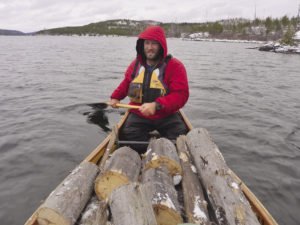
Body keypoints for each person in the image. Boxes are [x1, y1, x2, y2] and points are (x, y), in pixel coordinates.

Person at [109, 25, 189, 153]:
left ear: (161, 46)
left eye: (154, 44)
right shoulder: (135, 64)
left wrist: (156, 105)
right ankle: (148, 155)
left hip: (166, 114)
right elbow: (126, 82)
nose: (149, 47)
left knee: (179, 136)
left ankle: (164, 154)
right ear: (142, 45)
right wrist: (115, 97)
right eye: (147, 43)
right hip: (139, 113)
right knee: (129, 135)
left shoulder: (175, 66)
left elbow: (181, 95)